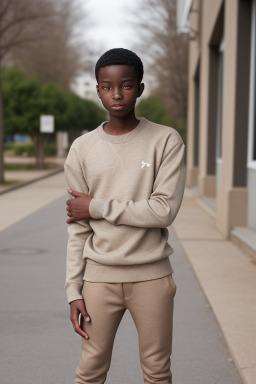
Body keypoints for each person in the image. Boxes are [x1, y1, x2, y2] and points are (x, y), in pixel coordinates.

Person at [64, 48, 186, 384]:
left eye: (126, 85)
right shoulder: (82, 148)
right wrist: (74, 290)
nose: (116, 94)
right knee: (89, 371)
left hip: (152, 279)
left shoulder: (165, 141)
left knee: (157, 371)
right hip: (98, 282)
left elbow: (163, 210)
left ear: (140, 88)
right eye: (107, 86)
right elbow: (78, 229)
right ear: (98, 89)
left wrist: (96, 206)